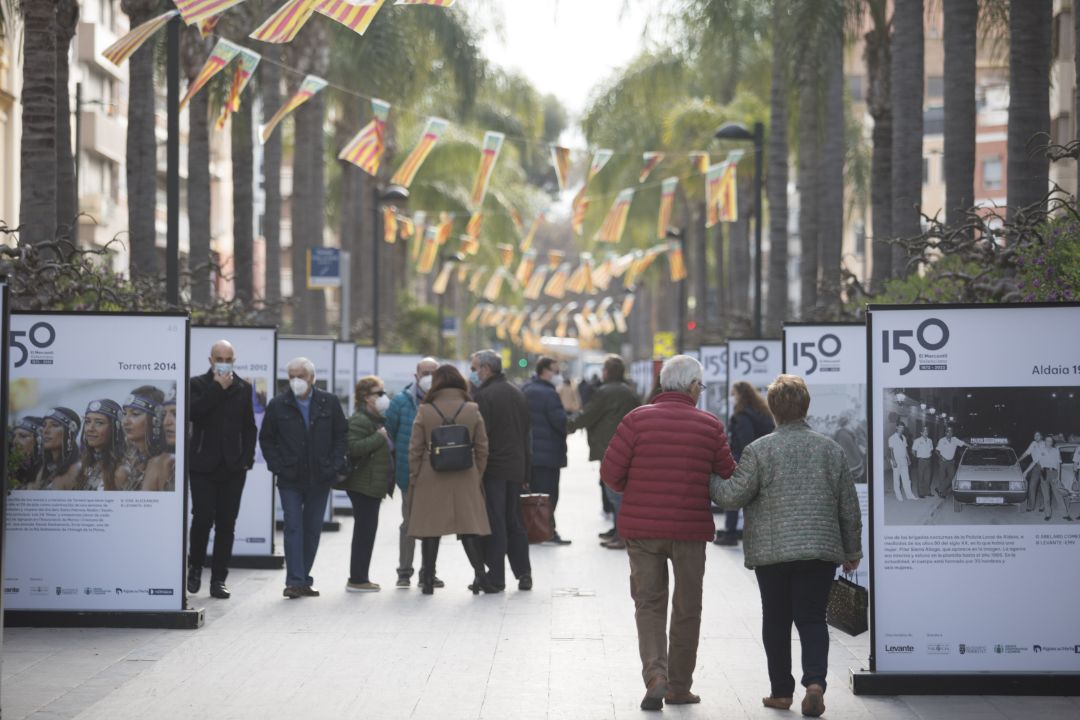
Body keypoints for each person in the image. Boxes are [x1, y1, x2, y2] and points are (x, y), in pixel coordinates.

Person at [710, 374, 862, 719]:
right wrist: (852, 551)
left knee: (776, 620)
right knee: (811, 619)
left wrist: (709, 477)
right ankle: (815, 685)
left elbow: (733, 496)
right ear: (805, 407)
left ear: (774, 410)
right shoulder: (830, 449)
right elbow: (848, 507)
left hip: (773, 552)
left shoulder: (760, 450)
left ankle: (781, 693)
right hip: (820, 549)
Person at [600, 355, 736, 711]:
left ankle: (655, 675)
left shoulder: (636, 420)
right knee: (687, 606)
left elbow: (611, 473)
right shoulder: (709, 425)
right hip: (690, 530)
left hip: (642, 531)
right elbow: (727, 473)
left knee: (649, 603)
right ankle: (678, 687)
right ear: (692, 386)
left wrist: (637, 488)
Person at [259, 357, 348, 599]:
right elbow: (266, 439)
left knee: (312, 529)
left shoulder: (328, 402)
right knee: (293, 526)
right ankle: (295, 580)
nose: (296, 381)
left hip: (320, 477)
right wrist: (278, 466)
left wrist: (334, 464)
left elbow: (341, 435)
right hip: (290, 477)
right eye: (292, 376)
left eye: (301, 376)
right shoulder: (278, 404)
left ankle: (303, 578)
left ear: (312, 377)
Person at [407, 364, 493, 595]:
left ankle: (427, 580)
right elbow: (483, 447)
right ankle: (481, 576)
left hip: (431, 475)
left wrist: (416, 475)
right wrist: (477, 474)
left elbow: (415, 448)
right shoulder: (471, 408)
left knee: (430, 529)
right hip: (465, 475)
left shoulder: (425, 410)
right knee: (468, 528)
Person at [187, 340, 257, 600]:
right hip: (202, 464)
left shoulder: (243, 387)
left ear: (234, 360)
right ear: (210, 360)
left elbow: (249, 427)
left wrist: (246, 459)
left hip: (233, 467)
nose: (224, 362)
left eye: (228, 358)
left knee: (227, 524)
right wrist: (217, 387)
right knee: (202, 519)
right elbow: (194, 413)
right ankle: (194, 567)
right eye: (219, 357)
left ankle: (219, 579)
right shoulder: (197, 384)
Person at [471, 349, 533, 590]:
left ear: (486, 369)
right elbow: (527, 436)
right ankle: (524, 573)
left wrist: (477, 471)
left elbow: (481, 437)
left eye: (475, 368)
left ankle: (496, 577)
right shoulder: (518, 393)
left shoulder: (485, 396)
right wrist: (527, 471)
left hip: (494, 468)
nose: (473, 373)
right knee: (514, 521)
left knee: (496, 522)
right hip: (516, 467)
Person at [568, 355, 640, 549]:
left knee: (614, 493)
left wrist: (568, 425)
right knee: (618, 491)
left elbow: (589, 414)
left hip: (609, 447)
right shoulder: (629, 392)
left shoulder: (604, 392)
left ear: (607, 372)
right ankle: (618, 529)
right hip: (626, 446)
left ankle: (621, 534)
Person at [384, 357, 440, 588]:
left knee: (433, 525)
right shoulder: (400, 401)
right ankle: (404, 572)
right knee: (409, 523)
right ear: (416, 375)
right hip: (409, 473)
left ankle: (428, 572)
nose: (429, 377)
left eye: (433, 373)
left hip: (437, 474)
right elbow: (390, 434)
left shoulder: (443, 402)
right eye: (425, 372)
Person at [338, 375, 393, 592]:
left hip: (372, 485)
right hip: (363, 485)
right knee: (364, 532)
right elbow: (353, 449)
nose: (383, 397)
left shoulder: (376, 419)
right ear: (366, 397)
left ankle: (360, 576)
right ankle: (357, 578)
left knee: (367, 531)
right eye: (378, 393)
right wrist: (379, 437)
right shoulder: (360, 420)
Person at [715, 381, 775, 546]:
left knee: (734, 497)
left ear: (740, 395)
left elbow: (745, 442)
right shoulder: (762, 412)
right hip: (764, 461)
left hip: (744, 461)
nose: (731, 398)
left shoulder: (743, 416)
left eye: (733, 394)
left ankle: (730, 533)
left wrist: (737, 463)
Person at [522, 356, 570, 545]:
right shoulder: (549, 394)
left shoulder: (525, 389)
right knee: (549, 495)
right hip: (548, 453)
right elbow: (560, 422)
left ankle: (532, 530)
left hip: (530, 452)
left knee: (533, 494)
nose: (558, 375)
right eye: (556, 371)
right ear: (544, 371)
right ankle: (547, 531)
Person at [117, 386, 173, 492]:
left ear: (157, 420)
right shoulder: (128, 461)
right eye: (124, 414)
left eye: (135, 414)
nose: (125, 421)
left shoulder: (166, 464)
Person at [76, 400, 125, 491]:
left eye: (99, 423)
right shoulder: (84, 465)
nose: (90, 428)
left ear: (114, 428)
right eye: (87, 422)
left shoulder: (120, 471)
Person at [35, 408, 81, 490]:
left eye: (55, 425)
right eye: (44, 425)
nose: (45, 431)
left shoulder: (75, 471)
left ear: (70, 432)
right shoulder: (43, 469)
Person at [11, 416, 44, 489]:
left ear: (39, 441)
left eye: (23, 436)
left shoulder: (51, 476)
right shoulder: (10, 470)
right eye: (14, 436)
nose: (15, 441)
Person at [933, 425, 967, 497]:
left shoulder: (955, 439)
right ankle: (942, 493)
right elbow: (936, 451)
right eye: (948, 431)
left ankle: (940, 489)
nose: (950, 433)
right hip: (943, 461)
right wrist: (941, 457)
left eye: (951, 431)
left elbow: (963, 443)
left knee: (952, 476)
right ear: (946, 432)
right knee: (942, 477)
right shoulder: (942, 440)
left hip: (951, 462)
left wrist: (971, 446)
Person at [887, 420, 915, 502]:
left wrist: (908, 458)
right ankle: (898, 495)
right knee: (896, 479)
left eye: (902, 428)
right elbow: (891, 450)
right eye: (899, 427)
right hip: (896, 459)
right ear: (896, 428)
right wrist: (894, 461)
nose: (901, 429)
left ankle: (909, 495)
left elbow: (905, 449)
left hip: (903, 460)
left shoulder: (904, 437)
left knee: (906, 478)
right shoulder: (892, 438)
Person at [1019, 431, 1046, 512]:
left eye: (1038, 435)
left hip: (1045, 467)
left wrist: (1026, 471)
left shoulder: (1045, 444)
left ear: (1041, 436)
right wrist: (1018, 460)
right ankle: (1031, 506)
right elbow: (1026, 453)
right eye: (1034, 435)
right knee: (1031, 486)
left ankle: (1042, 505)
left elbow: (1036, 459)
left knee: (1043, 487)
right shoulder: (1033, 443)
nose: (1036, 436)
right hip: (1036, 467)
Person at [912, 426, 934, 498]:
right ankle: (920, 493)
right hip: (921, 461)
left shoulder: (930, 440)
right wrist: (918, 458)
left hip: (928, 461)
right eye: (924, 432)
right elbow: (913, 451)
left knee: (928, 477)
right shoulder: (917, 440)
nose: (926, 433)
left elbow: (931, 449)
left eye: (927, 432)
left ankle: (927, 492)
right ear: (921, 433)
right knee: (920, 477)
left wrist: (929, 455)